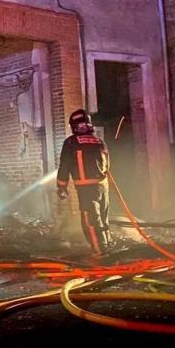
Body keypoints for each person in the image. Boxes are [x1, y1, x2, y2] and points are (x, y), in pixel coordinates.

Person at [56, 109, 111, 256]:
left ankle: (100, 251)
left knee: (90, 220)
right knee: (103, 217)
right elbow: (108, 165)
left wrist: (62, 187)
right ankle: (107, 243)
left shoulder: (70, 143)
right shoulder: (100, 141)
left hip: (86, 188)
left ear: (74, 126)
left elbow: (64, 165)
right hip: (103, 186)